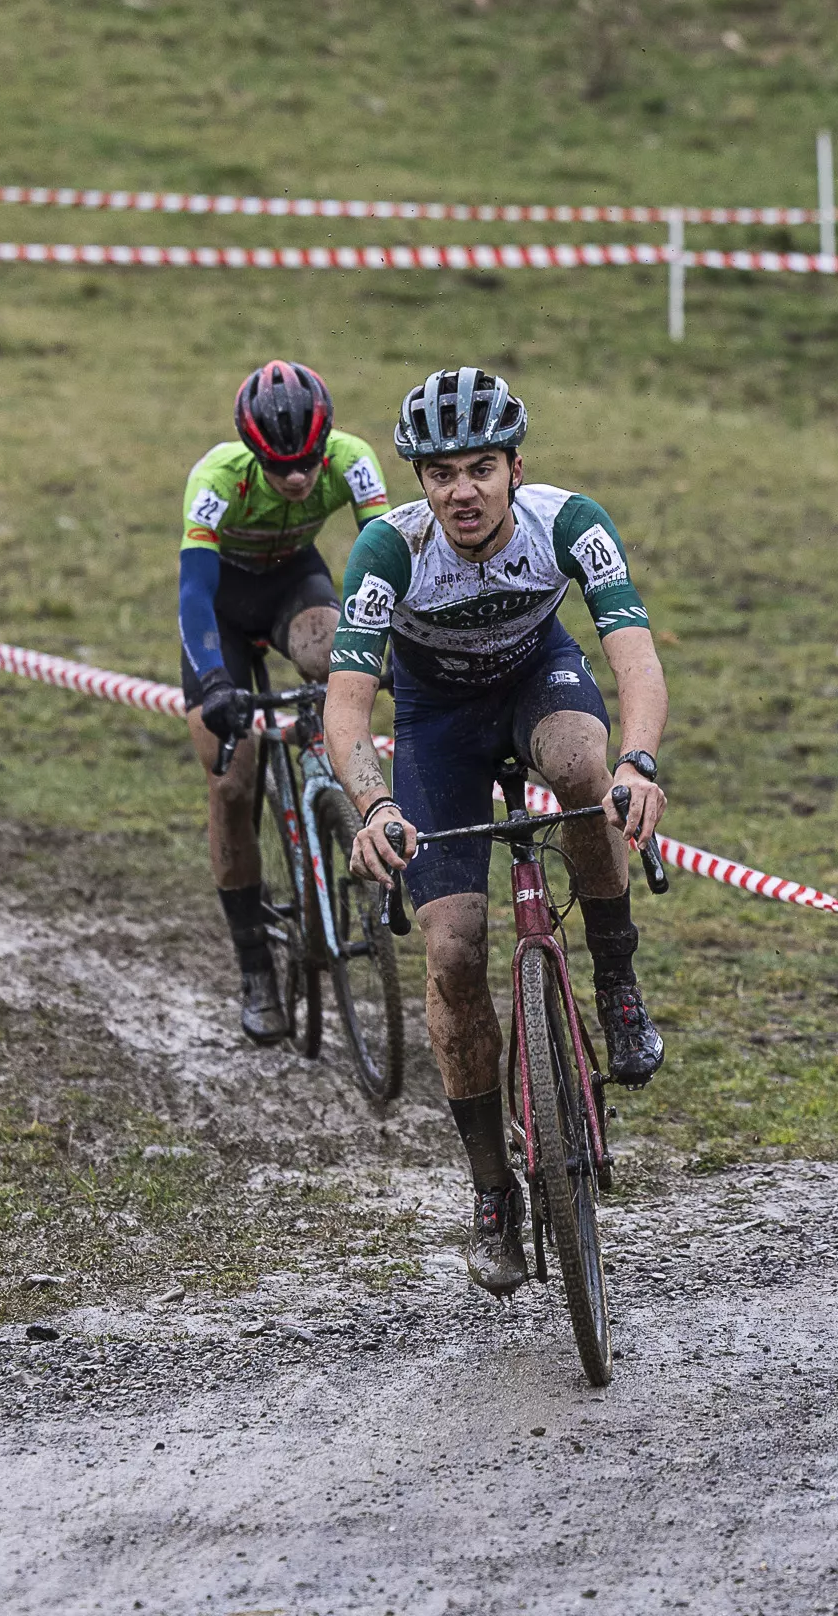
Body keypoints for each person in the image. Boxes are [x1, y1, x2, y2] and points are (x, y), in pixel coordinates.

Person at [325, 366, 668, 1297]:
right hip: (437, 725)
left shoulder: (570, 522)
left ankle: (619, 983)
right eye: (441, 474)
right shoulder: (387, 553)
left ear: (517, 467)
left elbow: (634, 658)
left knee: (577, 768)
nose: (462, 491)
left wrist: (637, 763)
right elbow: (348, 709)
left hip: (536, 685)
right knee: (453, 949)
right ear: (420, 483)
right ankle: (491, 1193)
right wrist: (375, 806)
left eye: (481, 468)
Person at [179, 361, 393, 1044]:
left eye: (307, 462)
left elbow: (384, 553)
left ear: (324, 442)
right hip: (221, 606)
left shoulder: (352, 459)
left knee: (333, 652)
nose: (299, 479)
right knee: (231, 783)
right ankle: (254, 967)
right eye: (281, 466)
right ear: (253, 450)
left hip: (294, 587)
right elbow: (192, 594)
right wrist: (214, 680)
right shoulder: (217, 479)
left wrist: (394, 651)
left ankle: (328, 777)